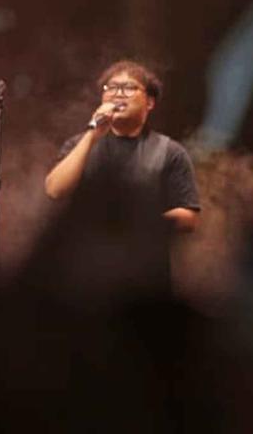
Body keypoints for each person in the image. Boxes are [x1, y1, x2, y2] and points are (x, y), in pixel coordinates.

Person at [43, 60, 200, 297]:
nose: (118, 94)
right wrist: (92, 134)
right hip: (84, 280)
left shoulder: (170, 151)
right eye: (111, 88)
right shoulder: (80, 145)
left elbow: (188, 216)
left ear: (149, 102)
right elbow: (54, 189)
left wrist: (137, 218)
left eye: (128, 87)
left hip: (146, 280)